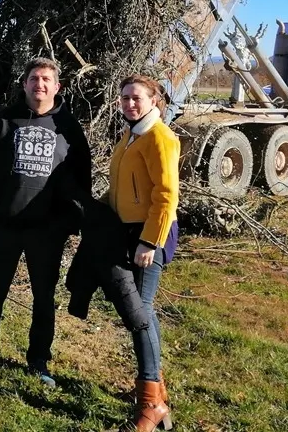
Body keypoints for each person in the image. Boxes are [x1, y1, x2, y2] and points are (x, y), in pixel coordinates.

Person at [0, 57, 92, 388]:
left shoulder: (69, 129)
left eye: (46, 79)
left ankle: (39, 363)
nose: (39, 84)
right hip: (4, 226)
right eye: (33, 78)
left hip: (47, 231)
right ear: (25, 84)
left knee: (43, 298)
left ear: (57, 87)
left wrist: (69, 221)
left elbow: (81, 180)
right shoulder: (3, 120)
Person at [108, 74, 179, 432]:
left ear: (154, 100)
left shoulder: (159, 137)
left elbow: (166, 195)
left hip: (149, 235)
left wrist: (149, 241)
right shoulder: (131, 134)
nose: (129, 103)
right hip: (127, 231)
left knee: (141, 313)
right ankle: (156, 391)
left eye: (136, 97)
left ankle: (151, 403)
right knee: (140, 313)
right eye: (124, 98)